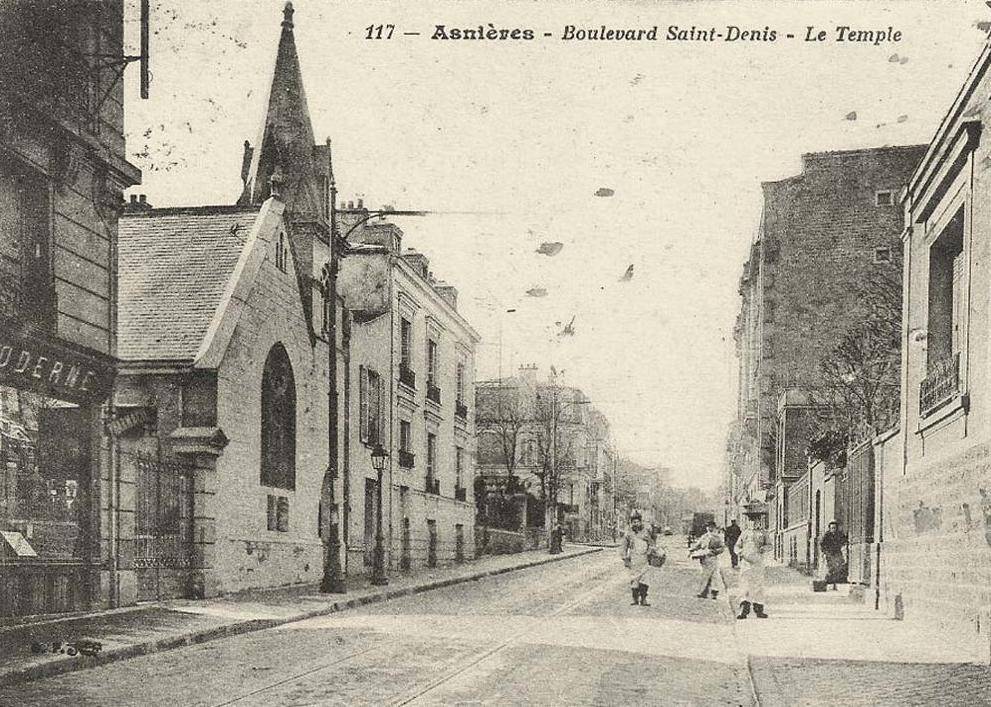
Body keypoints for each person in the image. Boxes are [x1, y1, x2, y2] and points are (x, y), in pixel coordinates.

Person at [734, 513, 772, 618]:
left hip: (758, 562)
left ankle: (759, 610)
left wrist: (764, 548)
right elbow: (736, 546)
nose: (754, 523)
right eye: (751, 520)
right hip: (746, 563)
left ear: (759, 521)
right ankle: (743, 610)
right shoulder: (744, 533)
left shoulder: (763, 533)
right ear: (748, 522)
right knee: (745, 585)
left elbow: (769, 545)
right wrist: (740, 552)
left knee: (758, 585)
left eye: (756, 520)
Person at [621, 510, 662, 606]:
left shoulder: (646, 532)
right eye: (633, 522)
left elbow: (652, 543)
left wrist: (651, 552)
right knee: (634, 579)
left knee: (645, 579)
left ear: (640, 522)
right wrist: (625, 558)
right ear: (631, 523)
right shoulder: (629, 534)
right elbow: (624, 546)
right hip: (634, 559)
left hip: (644, 559)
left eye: (637, 522)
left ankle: (643, 599)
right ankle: (635, 599)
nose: (636, 524)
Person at [690, 520, 725, 599]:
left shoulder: (717, 537)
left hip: (713, 558)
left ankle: (713, 592)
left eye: (711, 527)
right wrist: (692, 550)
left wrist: (715, 551)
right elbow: (698, 545)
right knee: (705, 575)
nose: (709, 528)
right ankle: (704, 592)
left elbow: (722, 548)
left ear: (714, 528)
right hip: (704, 558)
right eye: (708, 527)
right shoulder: (704, 537)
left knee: (714, 575)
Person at [820, 520, 848, 589]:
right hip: (829, 554)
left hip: (837, 553)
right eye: (832, 528)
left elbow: (844, 541)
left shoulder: (839, 534)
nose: (833, 529)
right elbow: (822, 545)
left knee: (839, 566)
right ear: (829, 528)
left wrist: (843, 546)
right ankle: (830, 582)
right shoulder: (827, 535)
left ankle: (837, 581)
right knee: (831, 567)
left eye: (835, 528)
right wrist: (824, 552)